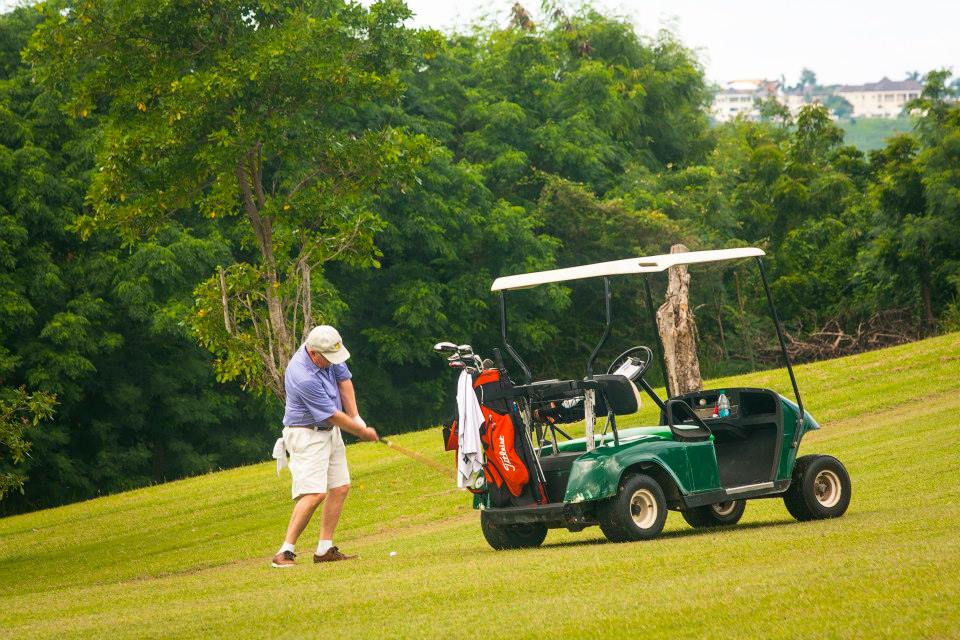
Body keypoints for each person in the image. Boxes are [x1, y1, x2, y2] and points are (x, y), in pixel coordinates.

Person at [270, 325, 379, 568]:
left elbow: (344, 380)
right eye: (327, 359)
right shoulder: (302, 376)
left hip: (330, 432)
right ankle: (284, 552)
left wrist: (356, 415)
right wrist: (360, 430)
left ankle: (324, 549)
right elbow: (330, 414)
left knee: (340, 487)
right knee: (314, 493)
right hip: (306, 434)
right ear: (314, 353)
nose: (332, 362)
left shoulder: (329, 350)